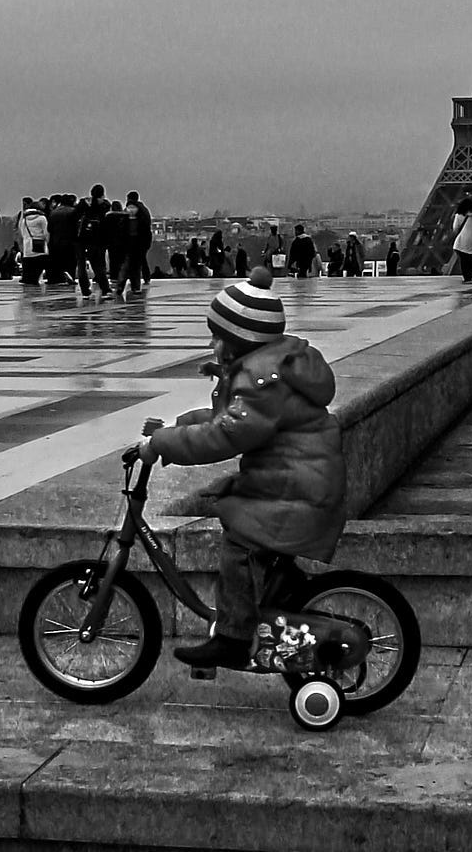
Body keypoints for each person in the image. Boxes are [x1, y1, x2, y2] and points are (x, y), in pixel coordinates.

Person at [139, 266, 346, 671]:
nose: (213, 346)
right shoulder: (271, 368)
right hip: (296, 483)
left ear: (240, 340)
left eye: (218, 337)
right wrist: (177, 427)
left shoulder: (260, 379)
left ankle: (233, 638)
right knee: (255, 548)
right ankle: (285, 605)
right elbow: (229, 419)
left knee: (240, 548)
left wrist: (162, 445)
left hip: (293, 491)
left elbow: (227, 436)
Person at [75, 184, 113, 298]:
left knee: (82, 265)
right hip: (99, 240)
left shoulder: (83, 204)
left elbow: (74, 217)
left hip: (82, 239)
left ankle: (85, 290)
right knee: (99, 265)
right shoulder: (105, 206)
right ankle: (105, 289)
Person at [45, 193, 80, 287]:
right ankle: (70, 276)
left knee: (57, 261)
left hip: (56, 241)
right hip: (70, 241)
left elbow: (49, 229)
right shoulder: (74, 212)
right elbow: (77, 227)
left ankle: (57, 278)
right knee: (71, 261)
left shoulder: (54, 212)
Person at [17, 198, 50, 287]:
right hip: (40, 247)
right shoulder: (42, 218)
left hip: (28, 248)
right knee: (38, 269)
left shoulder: (24, 220)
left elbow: (22, 233)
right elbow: (46, 233)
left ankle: (30, 290)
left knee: (29, 275)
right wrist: (48, 243)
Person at [449, 197, 472, 283]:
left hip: (462, 239)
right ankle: (470, 275)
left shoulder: (458, 216)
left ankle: (465, 275)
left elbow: (455, 228)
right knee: (470, 258)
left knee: (463, 259)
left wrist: (458, 234)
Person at [126, 191, 153, 288]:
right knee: (141, 258)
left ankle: (135, 280)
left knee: (135, 260)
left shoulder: (132, 209)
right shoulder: (144, 209)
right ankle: (145, 277)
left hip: (136, 238)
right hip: (145, 238)